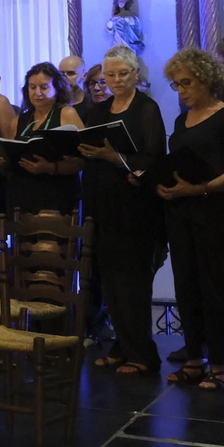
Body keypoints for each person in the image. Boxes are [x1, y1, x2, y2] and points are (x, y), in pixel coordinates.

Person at [157, 48, 224, 391]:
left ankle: (222, 364)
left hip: (216, 211)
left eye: (187, 82)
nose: (182, 90)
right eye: (176, 84)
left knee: (217, 287)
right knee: (187, 286)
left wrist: (201, 188)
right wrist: (167, 185)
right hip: (183, 211)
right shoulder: (182, 120)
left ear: (206, 79)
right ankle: (195, 358)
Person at [80, 46, 167, 376]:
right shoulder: (100, 110)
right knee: (111, 284)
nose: (115, 80)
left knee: (133, 284)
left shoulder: (147, 108)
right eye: (110, 74)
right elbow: (92, 151)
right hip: (104, 204)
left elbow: (155, 158)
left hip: (136, 207)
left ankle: (143, 354)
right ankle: (122, 346)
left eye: (123, 74)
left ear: (136, 75)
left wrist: (115, 158)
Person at [5, 62, 84, 219]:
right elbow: (11, 156)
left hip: (59, 193)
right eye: (32, 87)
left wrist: (51, 167)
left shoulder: (67, 113)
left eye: (44, 87)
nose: (37, 93)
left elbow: (83, 159)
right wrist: (3, 157)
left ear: (56, 88)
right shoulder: (19, 120)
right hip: (24, 192)